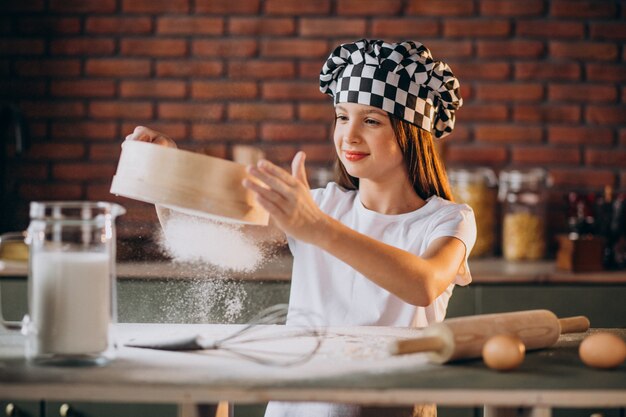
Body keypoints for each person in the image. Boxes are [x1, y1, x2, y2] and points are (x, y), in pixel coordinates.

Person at [125, 39, 476, 417]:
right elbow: (194, 234)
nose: (350, 135)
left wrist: (318, 229)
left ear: (412, 133)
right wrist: (165, 169)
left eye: (371, 120)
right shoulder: (321, 206)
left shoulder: (446, 219)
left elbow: (422, 285)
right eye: (342, 117)